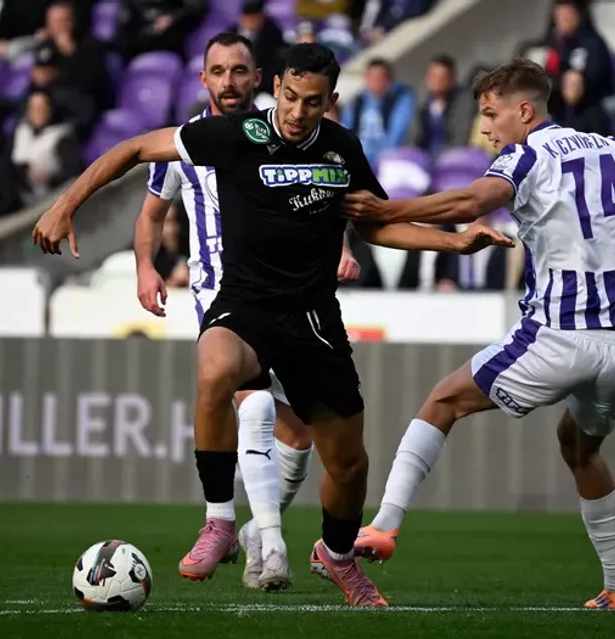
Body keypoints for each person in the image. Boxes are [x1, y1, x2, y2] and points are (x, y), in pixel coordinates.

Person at [31, 42, 514, 608]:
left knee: (349, 464)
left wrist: (454, 243)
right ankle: (219, 520)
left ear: (330, 100)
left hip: (313, 317)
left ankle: (336, 555)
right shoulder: (237, 134)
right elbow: (135, 147)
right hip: (245, 304)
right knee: (216, 368)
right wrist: (65, 204)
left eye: (312, 102)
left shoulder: (342, 148)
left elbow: (376, 224)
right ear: (277, 87)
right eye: (290, 97)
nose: (297, 112)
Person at [343, 58, 615, 610]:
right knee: (580, 446)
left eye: (491, 114)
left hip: (561, 336)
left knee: (443, 401)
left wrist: (387, 208)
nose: (485, 128)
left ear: (525, 111)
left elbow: (470, 202)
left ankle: (384, 526)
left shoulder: (525, 156)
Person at [133, 32, 363, 592]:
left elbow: (321, 198)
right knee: (252, 402)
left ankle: (257, 531)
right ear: (203, 79)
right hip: (222, 290)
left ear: (260, 78)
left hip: (290, 294)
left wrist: (342, 245)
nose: (229, 81)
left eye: (239, 70)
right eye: (218, 71)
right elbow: (152, 212)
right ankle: (261, 542)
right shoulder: (188, 141)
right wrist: (145, 267)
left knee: (299, 435)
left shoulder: (278, 131)